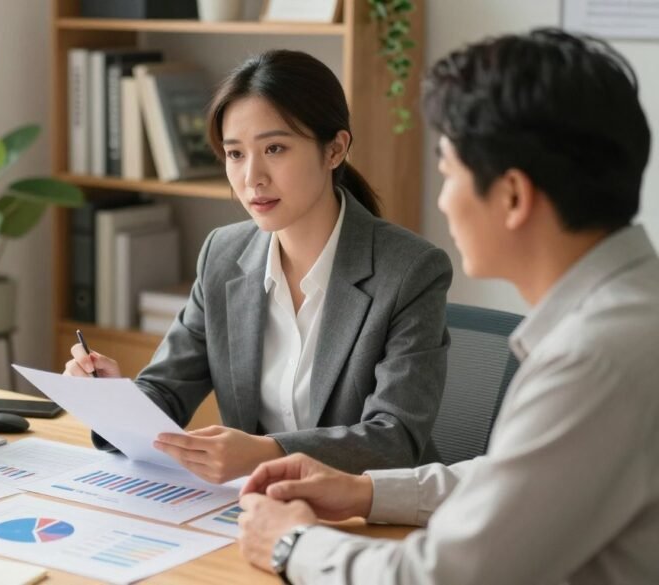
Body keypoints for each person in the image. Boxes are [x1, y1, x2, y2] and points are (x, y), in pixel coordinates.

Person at [237, 29, 659, 584]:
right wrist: (365, 490)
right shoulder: (629, 313)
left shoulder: (592, 359)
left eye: (448, 172)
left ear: (511, 196)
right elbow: (523, 482)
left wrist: (291, 545)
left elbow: (443, 577)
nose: (441, 200)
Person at [65, 49, 453, 483]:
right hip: (257, 509)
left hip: (370, 517)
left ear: (335, 149)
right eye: (235, 154)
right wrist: (114, 402)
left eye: (274, 148)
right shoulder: (222, 255)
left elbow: (394, 440)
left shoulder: (410, 271)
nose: (252, 177)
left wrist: (264, 454)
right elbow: (167, 390)